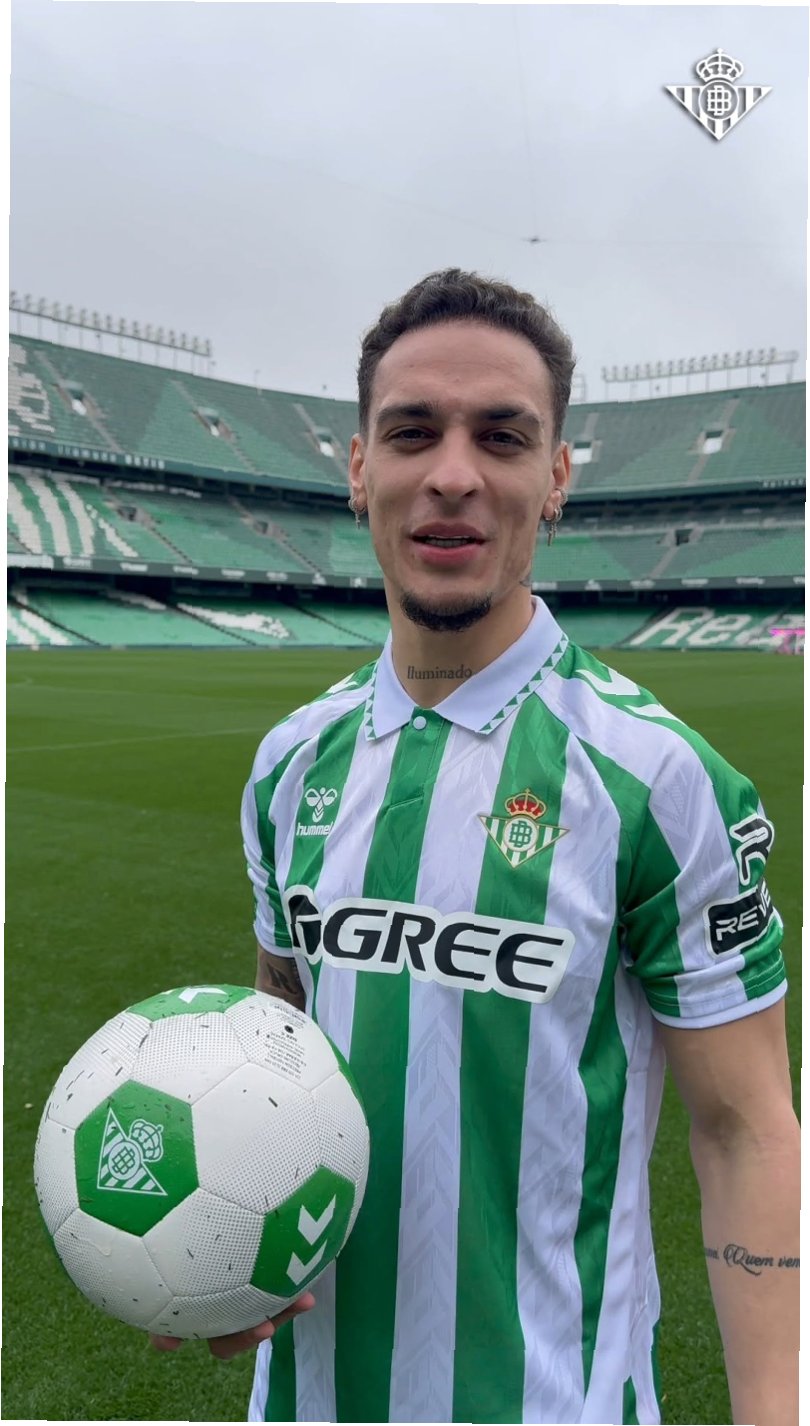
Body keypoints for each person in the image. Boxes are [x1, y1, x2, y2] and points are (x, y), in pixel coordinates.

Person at [154, 269, 799, 1425]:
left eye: (502, 436)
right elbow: (275, 1047)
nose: (453, 472)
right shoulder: (290, 762)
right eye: (414, 433)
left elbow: (745, 1129)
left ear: (556, 478)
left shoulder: (661, 779)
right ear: (361, 467)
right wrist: (214, 1250)